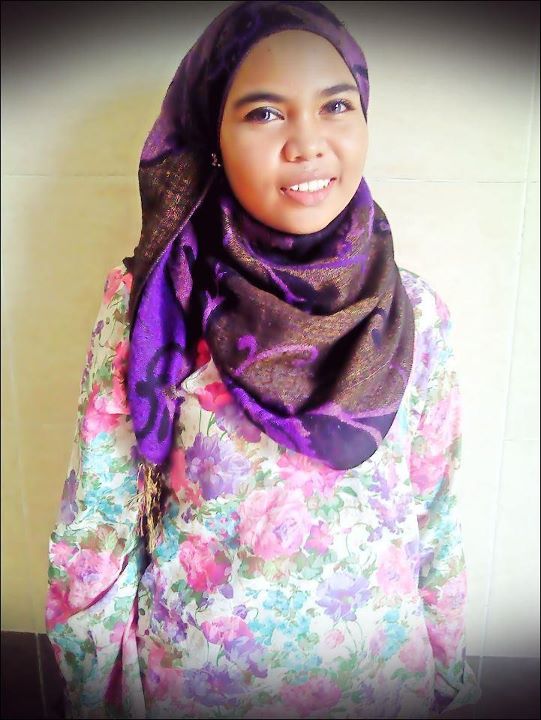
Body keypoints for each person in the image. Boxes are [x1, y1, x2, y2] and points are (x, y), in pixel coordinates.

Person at [45, 1, 481, 718]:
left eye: (335, 105)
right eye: (265, 113)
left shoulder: (415, 312)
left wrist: (449, 684)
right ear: (211, 136)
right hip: (197, 688)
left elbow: (433, 512)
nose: (307, 143)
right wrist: (96, 697)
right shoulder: (157, 303)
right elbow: (98, 522)